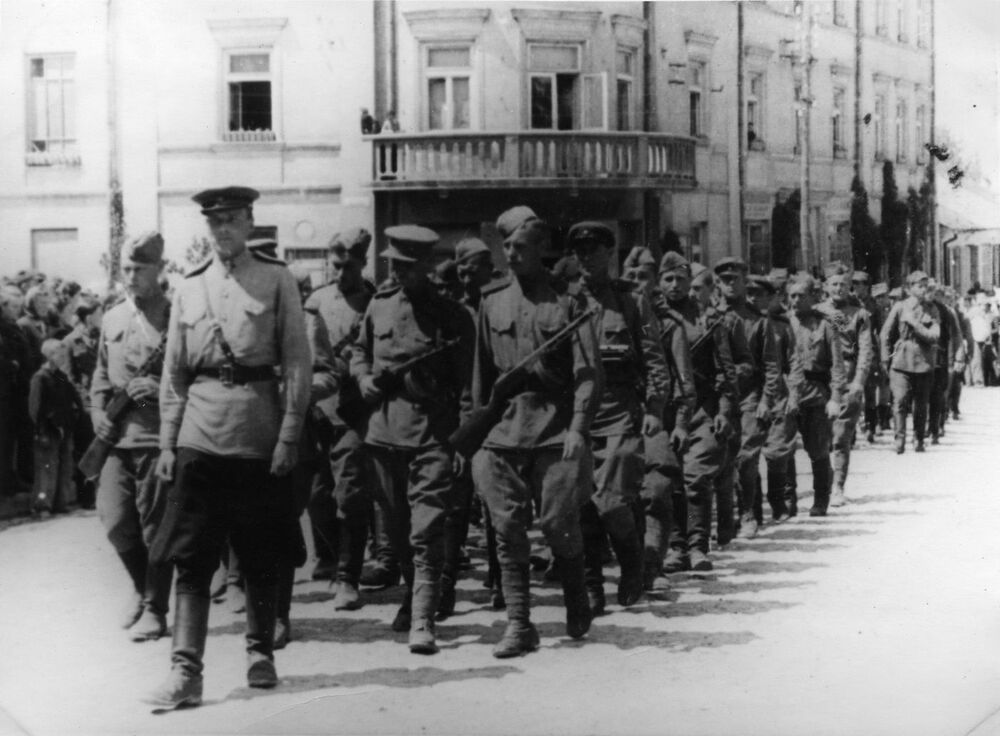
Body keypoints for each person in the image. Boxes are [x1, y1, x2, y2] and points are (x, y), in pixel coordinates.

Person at [146, 186, 311, 708]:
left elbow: (298, 363)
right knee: (191, 558)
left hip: (257, 433)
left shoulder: (276, 278)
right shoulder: (189, 287)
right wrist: (169, 443)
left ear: (249, 222)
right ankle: (184, 672)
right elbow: (174, 374)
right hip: (200, 433)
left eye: (232, 220)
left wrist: (288, 434)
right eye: (214, 222)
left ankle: (260, 651)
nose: (222, 230)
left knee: (260, 550)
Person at [469, 206, 603, 657]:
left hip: (554, 431)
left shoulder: (568, 304)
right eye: (505, 246)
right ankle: (519, 623)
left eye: (520, 246)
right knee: (507, 530)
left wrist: (579, 428)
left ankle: (576, 594)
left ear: (542, 249)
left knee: (558, 524)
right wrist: (473, 436)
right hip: (502, 434)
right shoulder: (491, 302)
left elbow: (588, 373)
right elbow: (481, 379)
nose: (511, 254)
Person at [350, 224, 473, 655]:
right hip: (383, 435)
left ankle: (423, 619)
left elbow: (468, 389)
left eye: (408, 266)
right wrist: (363, 377)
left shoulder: (455, 317)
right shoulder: (379, 308)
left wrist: (461, 444)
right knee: (397, 530)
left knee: (426, 529)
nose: (399, 273)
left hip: (432, 436)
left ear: (425, 265)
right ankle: (411, 594)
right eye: (394, 265)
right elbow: (359, 351)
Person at [567, 222, 669, 614]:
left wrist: (656, 408)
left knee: (611, 501)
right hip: (578, 418)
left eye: (593, 250)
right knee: (581, 505)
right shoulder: (568, 301)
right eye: (579, 252)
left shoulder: (634, 303)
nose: (585, 258)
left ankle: (631, 563)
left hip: (621, 413)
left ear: (610, 254)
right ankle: (593, 584)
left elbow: (653, 353)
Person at [90, 232, 174, 641]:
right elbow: (100, 379)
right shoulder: (112, 318)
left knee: (156, 529)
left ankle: (156, 609)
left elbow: (194, 378)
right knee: (115, 520)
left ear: (160, 269)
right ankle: (141, 590)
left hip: (158, 438)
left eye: (140, 269)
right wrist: (97, 418)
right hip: (116, 441)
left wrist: (159, 390)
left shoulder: (177, 317)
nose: (131, 276)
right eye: (126, 268)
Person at [302, 228, 375, 614]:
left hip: (354, 412)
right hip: (318, 412)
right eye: (336, 264)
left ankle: (348, 578)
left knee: (351, 495)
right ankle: (328, 559)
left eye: (349, 265)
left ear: (363, 262)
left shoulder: (374, 301)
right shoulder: (315, 301)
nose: (341, 272)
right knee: (316, 496)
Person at [659, 255, 736, 572]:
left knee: (696, 476)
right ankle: (676, 547)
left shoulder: (709, 321)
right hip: (665, 410)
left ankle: (698, 547)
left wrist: (725, 410)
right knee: (671, 479)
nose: (675, 286)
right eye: (668, 279)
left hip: (703, 409)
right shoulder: (651, 320)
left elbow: (725, 371)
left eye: (681, 279)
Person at [623, 249, 695, 589]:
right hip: (612, 417)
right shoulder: (608, 315)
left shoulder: (669, 325)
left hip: (657, 419)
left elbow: (684, 381)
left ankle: (652, 565)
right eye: (631, 276)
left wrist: (680, 423)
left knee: (658, 489)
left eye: (643, 277)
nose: (636, 283)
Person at [713, 257, 778, 541]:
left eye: (735, 279)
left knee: (746, 456)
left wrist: (766, 400)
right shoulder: (710, 316)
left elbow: (771, 366)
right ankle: (725, 521)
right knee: (722, 458)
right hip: (717, 397)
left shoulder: (758, 321)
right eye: (724, 279)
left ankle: (748, 513)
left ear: (743, 281)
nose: (730, 284)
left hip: (750, 395)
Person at [787, 274, 845, 516]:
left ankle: (821, 499)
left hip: (816, 394)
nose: (796, 300)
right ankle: (787, 500)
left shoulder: (826, 325)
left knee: (818, 449)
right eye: (792, 296)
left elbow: (837, 366)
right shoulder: (783, 324)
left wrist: (835, 398)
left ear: (814, 297)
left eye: (802, 295)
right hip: (788, 393)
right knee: (783, 447)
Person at [816, 269, 873, 506]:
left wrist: (859, 380)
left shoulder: (859, 314)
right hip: (821, 378)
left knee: (841, 436)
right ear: (826, 286)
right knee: (819, 437)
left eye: (843, 284)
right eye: (834, 284)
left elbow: (865, 350)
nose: (839, 288)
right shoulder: (818, 312)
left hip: (848, 376)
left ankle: (837, 486)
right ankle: (821, 486)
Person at [880, 271, 940, 454]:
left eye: (925, 285)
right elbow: (885, 334)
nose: (923, 289)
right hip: (900, 361)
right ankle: (899, 440)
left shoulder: (932, 309)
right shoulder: (900, 306)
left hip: (923, 362)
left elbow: (935, 335)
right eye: (919, 286)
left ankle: (919, 439)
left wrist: (915, 324)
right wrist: (884, 358)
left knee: (921, 404)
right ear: (909, 288)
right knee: (899, 401)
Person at [29, 338, 82, 515]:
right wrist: (41, 430)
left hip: (64, 428)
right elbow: (35, 409)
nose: (62, 357)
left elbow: (73, 397)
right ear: (49, 355)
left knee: (65, 466)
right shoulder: (40, 377)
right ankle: (42, 506)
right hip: (48, 430)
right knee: (46, 468)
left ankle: (61, 503)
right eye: (59, 354)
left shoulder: (61, 375)